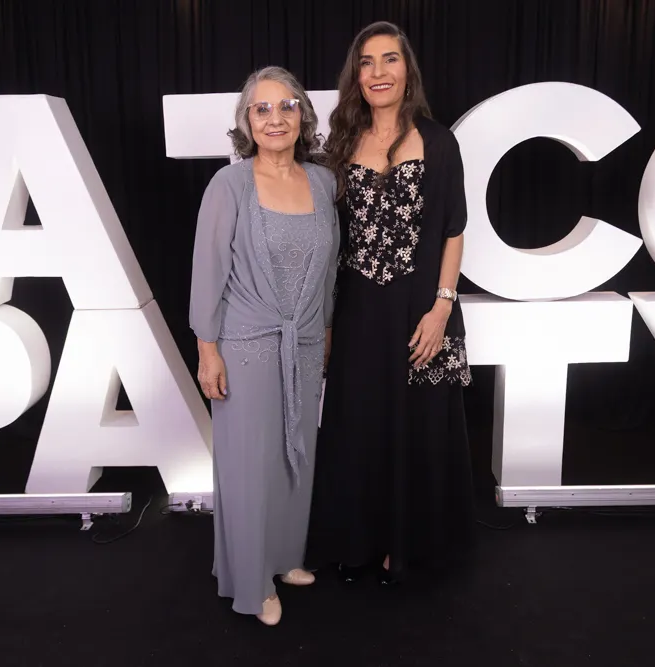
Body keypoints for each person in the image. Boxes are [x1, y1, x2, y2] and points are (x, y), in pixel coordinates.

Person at [307, 21, 475, 585]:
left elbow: (454, 229)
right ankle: (358, 542)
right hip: (358, 313)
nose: (378, 72)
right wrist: (327, 322)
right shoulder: (340, 144)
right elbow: (331, 238)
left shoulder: (439, 141)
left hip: (422, 310)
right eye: (367, 62)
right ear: (356, 76)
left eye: (390, 60)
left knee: (418, 428)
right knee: (360, 424)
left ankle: (407, 544)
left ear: (408, 71)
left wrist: (442, 308)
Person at [189, 66, 339, 625]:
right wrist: (207, 350)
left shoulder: (323, 182)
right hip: (244, 345)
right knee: (250, 465)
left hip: (304, 342)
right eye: (262, 108)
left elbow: (330, 270)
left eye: (287, 106)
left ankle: (283, 557)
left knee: (293, 457)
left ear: (303, 116)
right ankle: (252, 584)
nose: (276, 118)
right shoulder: (229, 185)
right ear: (247, 122)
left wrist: (325, 331)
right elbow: (208, 272)